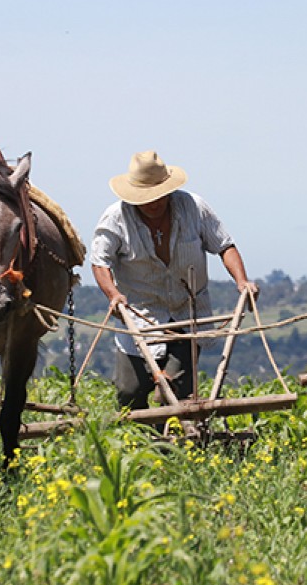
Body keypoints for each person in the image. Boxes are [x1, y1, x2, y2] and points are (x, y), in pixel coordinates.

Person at [90, 150, 259, 410]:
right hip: (138, 314)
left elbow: (225, 246)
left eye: (159, 195)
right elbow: (101, 262)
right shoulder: (116, 218)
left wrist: (242, 281)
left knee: (179, 389)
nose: (154, 203)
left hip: (188, 312)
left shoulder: (194, 207)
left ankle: (176, 442)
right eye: (146, 198)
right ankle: (146, 442)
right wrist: (113, 294)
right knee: (129, 391)